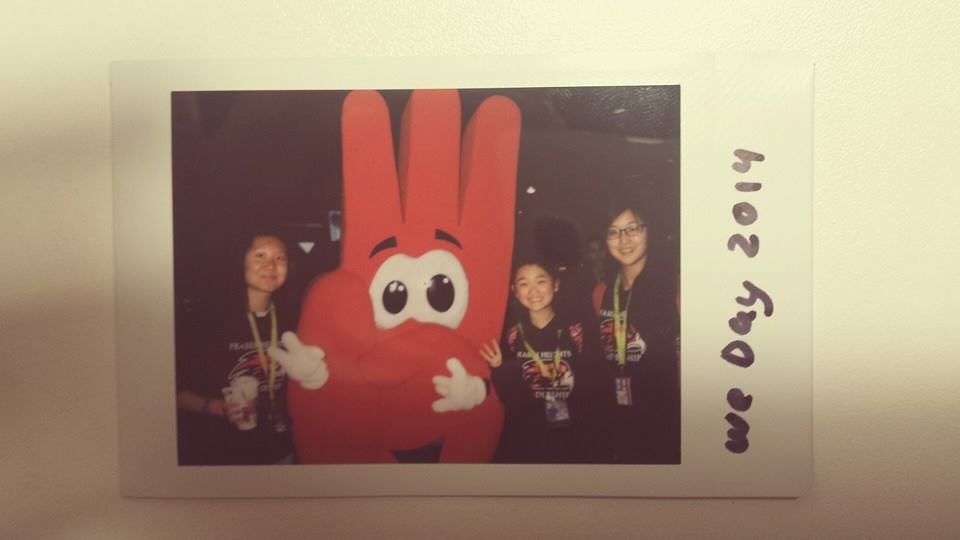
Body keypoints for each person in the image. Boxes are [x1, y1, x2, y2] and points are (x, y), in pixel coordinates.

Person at [175, 231, 298, 465]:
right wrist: (217, 407)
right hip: (221, 452)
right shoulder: (207, 322)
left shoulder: (294, 319)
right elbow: (173, 392)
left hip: (280, 448)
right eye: (260, 255)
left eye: (280, 258)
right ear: (239, 261)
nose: (271, 265)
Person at [481, 259, 608, 463]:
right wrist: (498, 367)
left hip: (576, 432)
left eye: (541, 281)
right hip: (527, 434)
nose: (533, 291)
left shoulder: (577, 330)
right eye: (524, 284)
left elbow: (594, 384)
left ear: (555, 285)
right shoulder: (510, 335)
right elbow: (510, 398)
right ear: (514, 291)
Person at [593, 204, 680, 464]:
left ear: (647, 231)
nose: (624, 240)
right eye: (614, 232)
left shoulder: (675, 287)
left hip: (666, 419)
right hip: (616, 418)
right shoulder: (601, 293)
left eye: (632, 229)